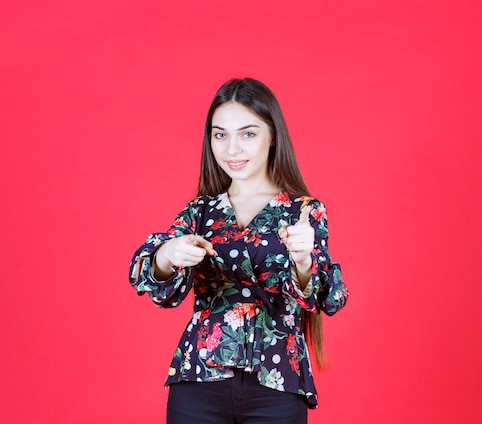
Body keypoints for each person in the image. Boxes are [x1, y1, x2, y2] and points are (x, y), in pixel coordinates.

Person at [128, 78, 348, 424]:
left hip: (277, 383)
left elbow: (326, 299)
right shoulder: (199, 213)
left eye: (247, 134)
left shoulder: (303, 211)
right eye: (220, 135)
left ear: (272, 135)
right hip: (199, 379)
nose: (232, 149)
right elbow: (154, 282)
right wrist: (167, 254)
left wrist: (304, 260)